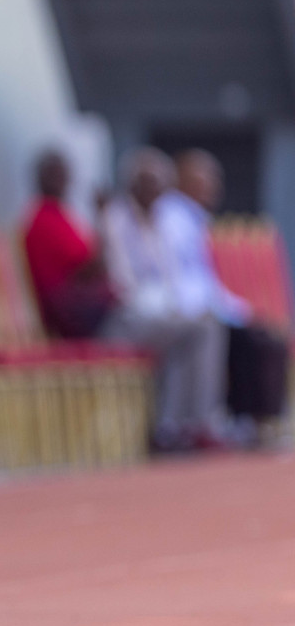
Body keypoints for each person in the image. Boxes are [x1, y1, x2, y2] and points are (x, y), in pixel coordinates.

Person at [98, 148, 229, 451]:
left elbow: (173, 277)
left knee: (201, 329)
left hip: (162, 313)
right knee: (197, 330)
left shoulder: (162, 222)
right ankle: (180, 423)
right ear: (131, 185)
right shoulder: (114, 219)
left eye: (157, 185)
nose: (151, 191)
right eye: (145, 183)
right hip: (128, 317)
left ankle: (186, 424)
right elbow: (122, 283)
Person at [157, 150, 288, 432]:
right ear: (183, 178)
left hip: (207, 306)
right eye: (206, 177)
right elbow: (181, 281)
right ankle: (210, 421)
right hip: (186, 309)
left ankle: (257, 423)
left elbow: (208, 282)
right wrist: (227, 311)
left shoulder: (195, 219)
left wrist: (239, 310)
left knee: (265, 338)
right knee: (242, 339)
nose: (214, 186)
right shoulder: (170, 217)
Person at [22, 148, 115, 339]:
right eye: (53, 174)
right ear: (40, 179)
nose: (60, 180)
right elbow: (91, 268)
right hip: (64, 312)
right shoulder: (43, 219)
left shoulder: (62, 215)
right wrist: (102, 216)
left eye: (63, 174)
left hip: (79, 306)